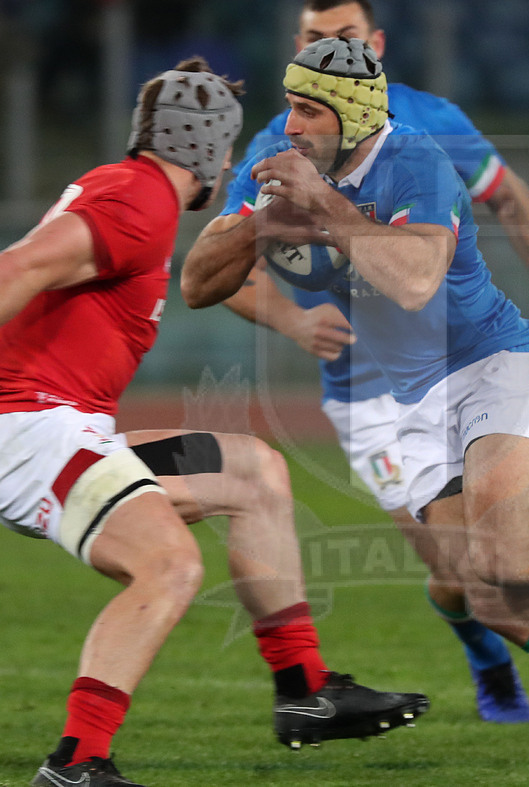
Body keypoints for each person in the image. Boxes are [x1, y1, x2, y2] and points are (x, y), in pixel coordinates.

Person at [181, 37, 529, 773]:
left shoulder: (415, 160)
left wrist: (322, 208)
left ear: (353, 117)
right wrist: (259, 223)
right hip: (411, 401)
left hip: (495, 367)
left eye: (306, 110)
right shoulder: (285, 172)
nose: (288, 127)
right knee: (494, 596)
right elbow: (197, 285)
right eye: (288, 106)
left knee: (508, 553)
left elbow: (416, 280)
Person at [0, 58, 428, 787]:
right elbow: (17, 270)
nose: (228, 163)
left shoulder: (129, 191)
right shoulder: (138, 200)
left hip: (63, 430)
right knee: (168, 565)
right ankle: (77, 762)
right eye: (226, 148)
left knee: (252, 471)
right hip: (32, 432)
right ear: (203, 147)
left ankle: (305, 691)